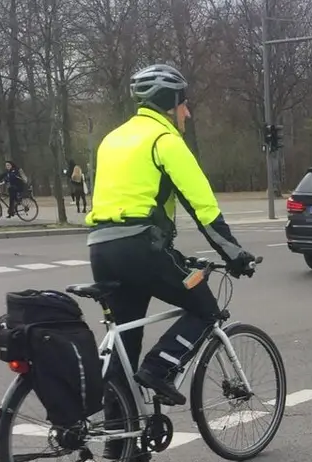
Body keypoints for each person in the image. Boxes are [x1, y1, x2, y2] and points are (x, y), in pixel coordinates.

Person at [85, 63, 254, 425]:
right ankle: (160, 369)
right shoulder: (164, 141)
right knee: (206, 308)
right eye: (184, 104)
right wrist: (235, 254)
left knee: (125, 342)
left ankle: (119, 438)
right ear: (169, 103)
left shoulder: (113, 139)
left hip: (100, 248)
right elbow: (202, 206)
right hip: (141, 248)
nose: (187, 113)